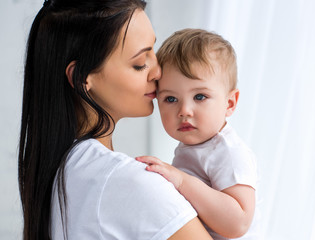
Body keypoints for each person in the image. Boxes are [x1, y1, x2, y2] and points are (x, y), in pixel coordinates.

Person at [18, 1, 213, 239]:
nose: (158, 72)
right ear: (81, 78)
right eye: (139, 64)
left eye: (154, 50)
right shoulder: (130, 183)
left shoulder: (59, 175)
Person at [136, 29, 261, 239]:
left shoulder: (228, 152)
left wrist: (181, 182)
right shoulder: (194, 148)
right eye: (171, 99)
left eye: (200, 96)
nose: (184, 110)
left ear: (229, 103)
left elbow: (238, 222)